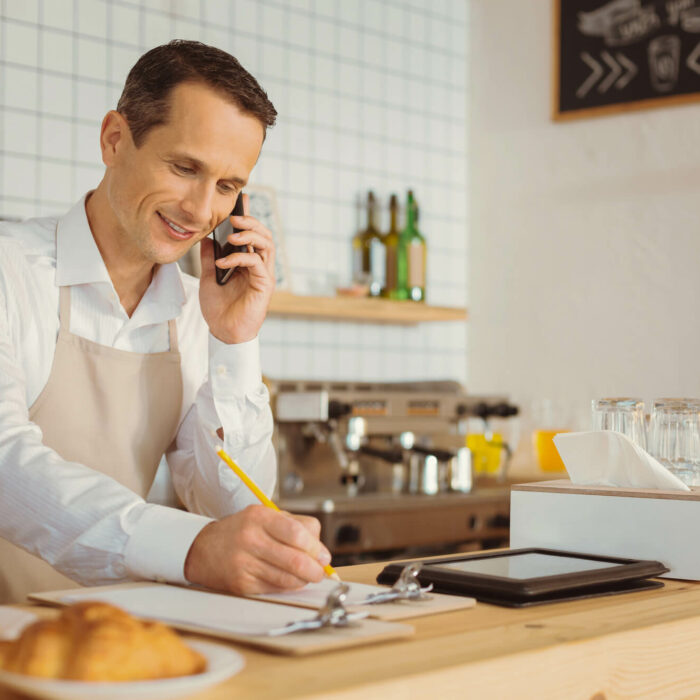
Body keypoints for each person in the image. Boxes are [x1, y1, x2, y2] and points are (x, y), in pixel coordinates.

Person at [0, 40, 332, 604]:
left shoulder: (196, 312)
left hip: (116, 642)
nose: (204, 212)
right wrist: (190, 548)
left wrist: (235, 342)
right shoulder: (11, 272)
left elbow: (235, 512)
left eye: (227, 187)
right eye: (185, 168)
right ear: (114, 140)